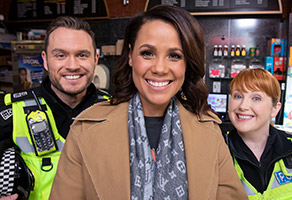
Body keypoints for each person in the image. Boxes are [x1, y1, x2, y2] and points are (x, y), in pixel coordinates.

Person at [49, 5, 247, 200]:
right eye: (147, 53)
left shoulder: (209, 131)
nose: (159, 68)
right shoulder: (85, 130)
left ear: (187, 64)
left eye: (174, 56)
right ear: (130, 56)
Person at [0, 16, 110, 200]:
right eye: (60, 55)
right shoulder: (14, 112)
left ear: (95, 59)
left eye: (82, 55)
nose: (72, 66)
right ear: (45, 60)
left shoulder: (116, 110)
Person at [226, 68, 292, 199]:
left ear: (275, 109)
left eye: (256, 98)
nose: (243, 106)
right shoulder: (215, 149)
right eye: (238, 96)